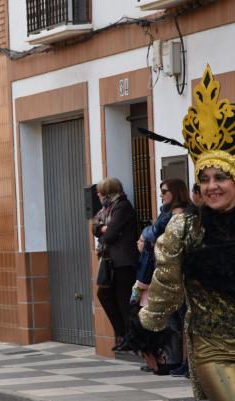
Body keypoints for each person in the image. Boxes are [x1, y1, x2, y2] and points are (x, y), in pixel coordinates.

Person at [135, 65, 235, 401]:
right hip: (212, 348)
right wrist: (147, 326)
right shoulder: (185, 228)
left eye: (220, 178)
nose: (212, 187)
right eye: (204, 180)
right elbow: (166, 285)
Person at [132, 178, 190, 374]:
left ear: (176, 192)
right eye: (160, 191)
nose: (161, 194)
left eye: (165, 191)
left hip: (177, 273)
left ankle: (186, 364)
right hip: (163, 271)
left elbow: (153, 233)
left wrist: (146, 236)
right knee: (172, 319)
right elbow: (152, 235)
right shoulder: (166, 213)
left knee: (182, 319)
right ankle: (174, 361)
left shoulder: (179, 214)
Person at [92, 177, 138, 352]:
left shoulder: (123, 207)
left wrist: (104, 229)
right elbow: (95, 227)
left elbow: (109, 235)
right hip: (110, 261)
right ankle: (123, 334)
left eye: (100, 193)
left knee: (123, 300)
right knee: (104, 294)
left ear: (109, 193)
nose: (98, 196)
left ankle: (129, 337)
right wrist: (102, 228)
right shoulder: (107, 209)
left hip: (124, 262)